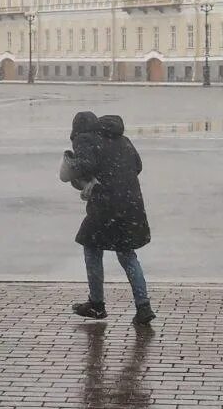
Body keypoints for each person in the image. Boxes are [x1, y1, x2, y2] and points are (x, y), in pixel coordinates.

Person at [62, 111, 154, 325]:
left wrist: (72, 164)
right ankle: (143, 306)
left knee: (92, 248)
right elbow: (138, 165)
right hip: (130, 203)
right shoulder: (124, 140)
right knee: (127, 254)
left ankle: (97, 304)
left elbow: (84, 165)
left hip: (105, 204)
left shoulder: (87, 139)